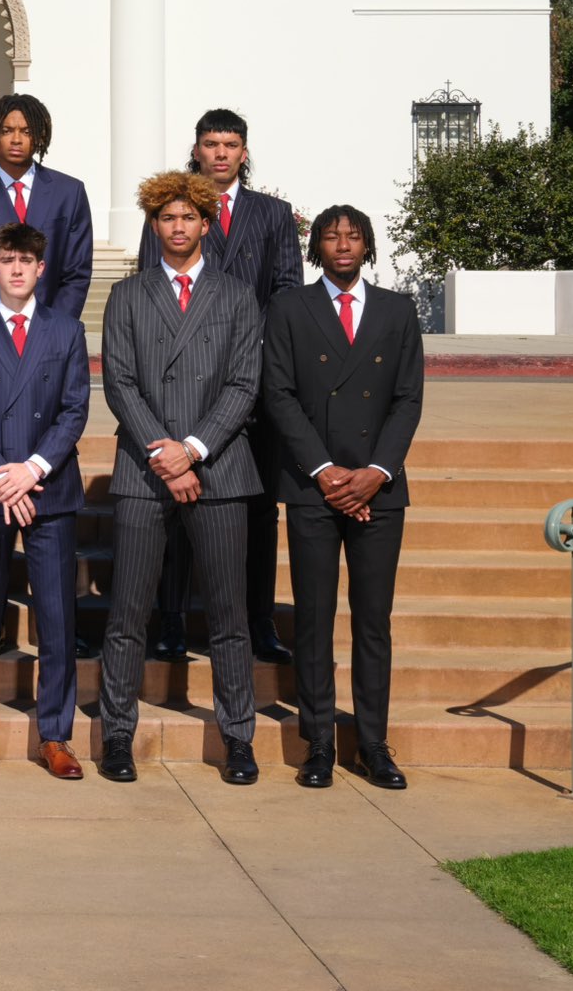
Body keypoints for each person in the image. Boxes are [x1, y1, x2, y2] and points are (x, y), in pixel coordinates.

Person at [97, 171, 265, 787]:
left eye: (188, 218)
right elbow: (120, 382)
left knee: (228, 615)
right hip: (144, 471)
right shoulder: (128, 296)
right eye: (167, 218)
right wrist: (163, 454)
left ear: (205, 223)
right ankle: (117, 734)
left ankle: (237, 738)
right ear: (154, 225)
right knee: (128, 613)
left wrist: (191, 450)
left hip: (219, 469)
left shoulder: (237, 295)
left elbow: (245, 384)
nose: (178, 228)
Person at [263, 205, 423, 792]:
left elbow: (408, 399)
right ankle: (320, 744)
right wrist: (327, 471)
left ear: (368, 245)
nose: (343, 245)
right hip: (312, 486)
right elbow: (277, 393)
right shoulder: (288, 307)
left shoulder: (397, 310)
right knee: (313, 620)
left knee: (373, 622)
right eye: (332, 236)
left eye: (354, 236)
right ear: (317, 247)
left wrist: (375, 471)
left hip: (379, 489)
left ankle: (374, 744)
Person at [138, 108, 302, 665]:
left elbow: (285, 294)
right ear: (197, 149)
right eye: (212, 143)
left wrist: (246, 354)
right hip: (180, 388)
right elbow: (149, 290)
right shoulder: (168, 211)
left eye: (232, 144)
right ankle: (173, 620)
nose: (222, 154)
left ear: (245, 152)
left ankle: (258, 621)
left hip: (246, 386)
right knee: (175, 508)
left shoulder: (273, 215)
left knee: (257, 511)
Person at [0, 222, 91, 779]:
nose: (16, 269)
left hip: (48, 489)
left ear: (40, 268)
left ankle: (55, 735)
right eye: (7, 260)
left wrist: (32, 470)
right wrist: (3, 476)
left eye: (26, 261)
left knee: (56, 617)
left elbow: (74, 409)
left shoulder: (66, 330)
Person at [0, 93, 93, 323]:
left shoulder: (69, 193)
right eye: (7, 130)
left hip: (50, 332)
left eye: (27, 131)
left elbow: (76, 275)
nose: (16, 139)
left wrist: (54, 330)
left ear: (40, 136)